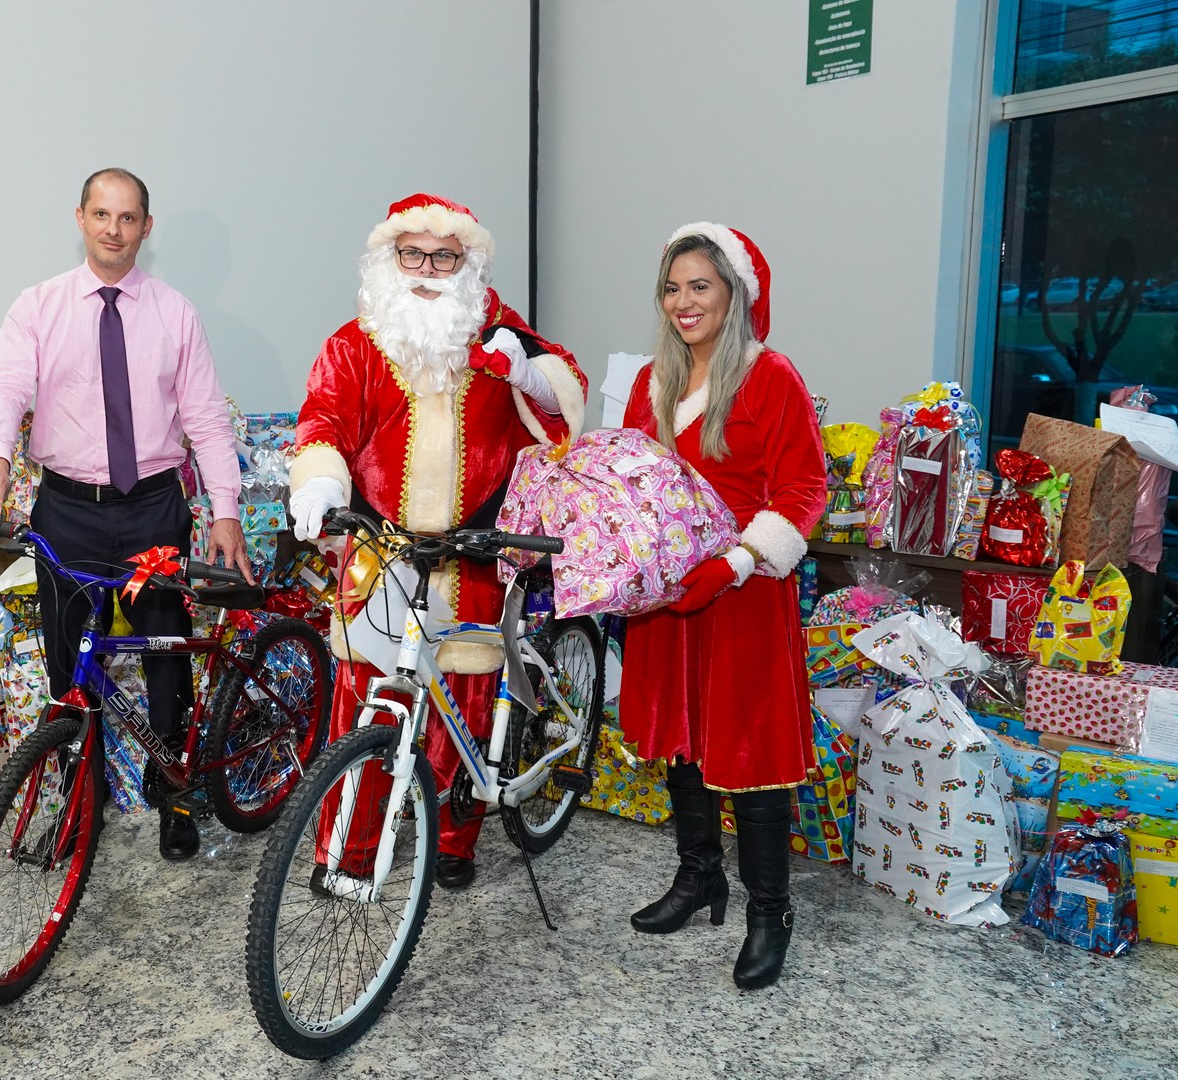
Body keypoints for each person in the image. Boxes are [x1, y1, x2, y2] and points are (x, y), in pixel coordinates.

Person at [288, 193, 586, 889]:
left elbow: (565, 397)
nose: (426, 269)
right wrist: (320, 480)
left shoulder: (499, 332)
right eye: (411, 253)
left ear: (468, 262)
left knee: (468, 702)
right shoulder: (353, 343)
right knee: (367, 702)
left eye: (443, 255)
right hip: (382, 554)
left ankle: (454, 839)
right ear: (387, 260)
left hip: (474, 553)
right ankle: (348, 855)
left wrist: (525, 373)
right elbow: (323, 420)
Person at [0, 168, 252, 862]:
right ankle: (77, 799)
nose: (114, 230)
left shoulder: (175, 312)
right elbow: (5, 385)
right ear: (81, 218)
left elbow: (208, 421)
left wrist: (225, 511)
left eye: (128, 219)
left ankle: (174, 797)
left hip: (154, 507)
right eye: (102, 215)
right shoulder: (39, 306)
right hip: (68, 508)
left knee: (165, 661)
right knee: (72, 667)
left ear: (145, 229)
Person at [617, 223, 826, 990]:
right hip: (670, 597)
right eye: (672, 288)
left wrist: (740, 559)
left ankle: (770, 912)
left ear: (735, 293)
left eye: (699, 286)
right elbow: (634, 484)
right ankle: (698, 875)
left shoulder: (771, 377)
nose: (683, 302)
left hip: (741, 595)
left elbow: (804, 487)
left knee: (754, 751)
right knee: (684, 738)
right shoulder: (652, 382)